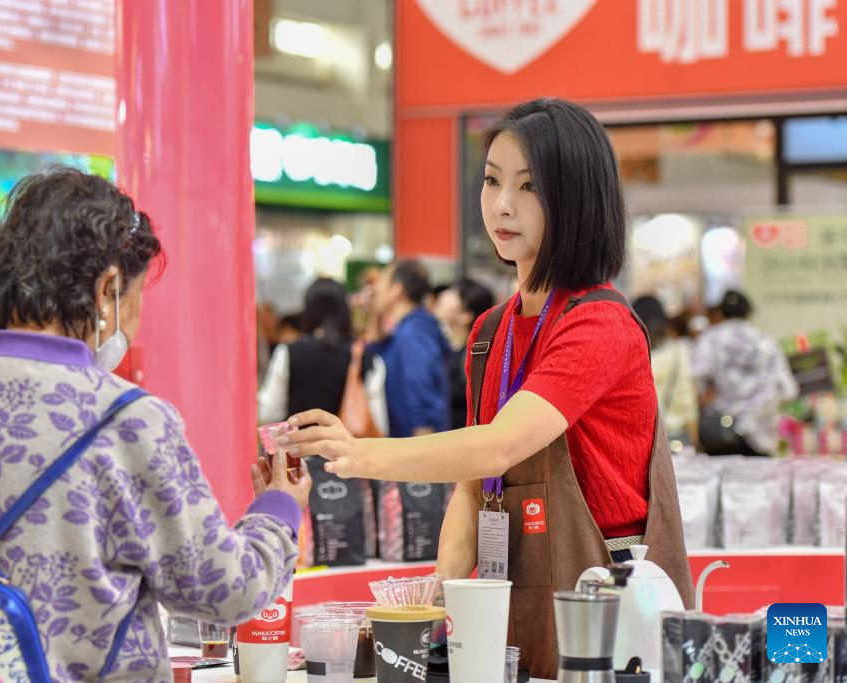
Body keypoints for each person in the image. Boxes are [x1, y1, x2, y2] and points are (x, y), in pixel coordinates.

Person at [0, 168, 311, 681]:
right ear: (107, 290)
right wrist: (278, 509)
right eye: (136, 297)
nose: (134, 320)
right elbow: (224, 591)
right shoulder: (130, 423)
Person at [276, 99, 693, 679]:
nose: (502, 205)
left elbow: (498, 446)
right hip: (516, 597)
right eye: (493, 180)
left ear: (576, 199)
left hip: (609, 608)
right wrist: (439, 592)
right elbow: (474, 486)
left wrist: (357, 454)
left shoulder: (600, 324)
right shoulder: (490, 332)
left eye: (529, 186)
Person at [258, 278, 387, 435]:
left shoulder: (288, 352)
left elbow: (268, 412)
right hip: (347, 449)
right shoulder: (367, 358)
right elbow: (379, 422)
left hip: (299, 448)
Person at [692, 289, 798, 456]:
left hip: (720, 431)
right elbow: (789, 390)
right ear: (748, 314)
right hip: (760, 434)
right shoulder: (765, 341)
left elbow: (695, 379)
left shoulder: (710, 339)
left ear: (721, 313)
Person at [367, 260, 453, 438]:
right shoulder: (407, 328)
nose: (376, 289)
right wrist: (376, 313)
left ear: (397, 289)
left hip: (417, 442)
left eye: (382, 281)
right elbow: (376, 348)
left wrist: (423, 447)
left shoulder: (413, 333)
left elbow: (422, 393)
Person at [632, 295, 699, 452]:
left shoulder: (632, 354)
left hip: (643, 442)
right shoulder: (678, 351)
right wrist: (695, 438)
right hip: (677, 439)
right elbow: (687, 398)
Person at [434, 279, 495, 430]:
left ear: (465, 315)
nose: (444, 295)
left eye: (455, 294)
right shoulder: (446, 348)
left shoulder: (472, 359)